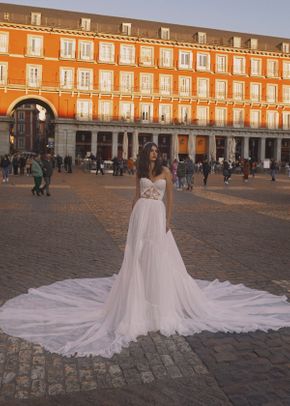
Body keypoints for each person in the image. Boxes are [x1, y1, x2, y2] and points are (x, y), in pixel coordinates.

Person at [1, 141, 290, 359]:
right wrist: (131, 221)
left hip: (157, 215)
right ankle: (138, 299)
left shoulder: (166, 171)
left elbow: (171, 199)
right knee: (138, 259)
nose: (154, 154)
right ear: (145, 154)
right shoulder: (140, 171)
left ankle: (158, 300)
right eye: (150, 151)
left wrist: (169, 219)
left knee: (159, 257)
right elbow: (136, 196)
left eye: (156, 151)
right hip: (141, 215)